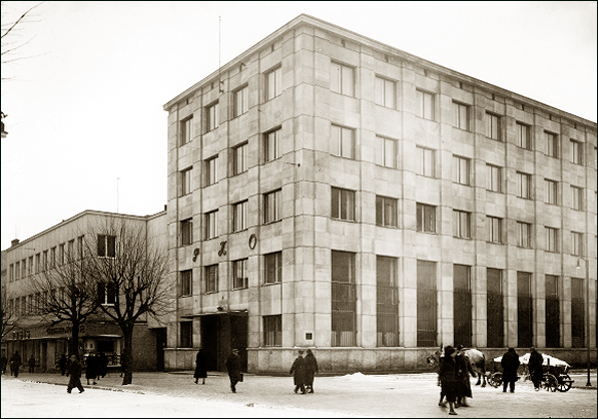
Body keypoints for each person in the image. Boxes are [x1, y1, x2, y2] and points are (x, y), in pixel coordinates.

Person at [439, 346, 459, 415]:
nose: (455, 354)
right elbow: (441, 371)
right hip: (448, 380)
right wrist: (440, 380)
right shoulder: (445, 361)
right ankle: (451, 409)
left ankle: (447, 404)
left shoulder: (453, 360)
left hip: (452, 379)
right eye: (454, 353)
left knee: (451, 394)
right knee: (450, 394)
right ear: (450, 354)